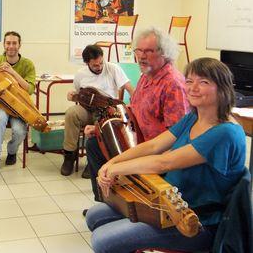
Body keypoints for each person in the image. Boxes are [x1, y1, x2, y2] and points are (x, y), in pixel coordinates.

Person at [86, 57, 246, 253]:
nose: (193, 88)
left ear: (223, 88)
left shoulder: (225, 132)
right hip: (170, 205)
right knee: (94, 216)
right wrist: (111, 163)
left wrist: (114, 168)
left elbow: (165, 162)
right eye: (189, 81)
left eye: (204, 82)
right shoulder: (193, 117)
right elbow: (154, 146)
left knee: (103, 240)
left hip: (197, 220)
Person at [85, 27, 189, 201]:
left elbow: (177, 136)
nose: (141, 56)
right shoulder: (147, 75)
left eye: (148, 51)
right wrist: (98, 128)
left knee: (103, 151)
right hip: (135, 139)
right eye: (138, 50)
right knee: (94, 143)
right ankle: (106, 200)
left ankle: (119, 202)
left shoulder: (173, 84)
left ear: (164, 53)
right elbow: (132, 110)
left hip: (153, 150)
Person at [60, 44, 133, 177]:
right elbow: (78, 94)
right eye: (95, 65)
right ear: (87, 63)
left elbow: (129, 87)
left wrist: (137, 101)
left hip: (107, 111)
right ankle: (69, 155)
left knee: (100, 119)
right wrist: (71, 96)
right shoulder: (80, 74)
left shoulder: (112, 68)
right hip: (87, 109)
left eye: (101, 63)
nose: (99, 67)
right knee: (71, 113)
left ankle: (92, 160)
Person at [0, 31, 36, 176]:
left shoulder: (27, 64)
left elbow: (30, 89)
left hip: (19, 107)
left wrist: (13, 73)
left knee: (20, 131)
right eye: (8, 43)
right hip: (0, 104)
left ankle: (12, 151)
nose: (11, 46)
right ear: (4, 45)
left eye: (14, 43)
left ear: (19, 45)